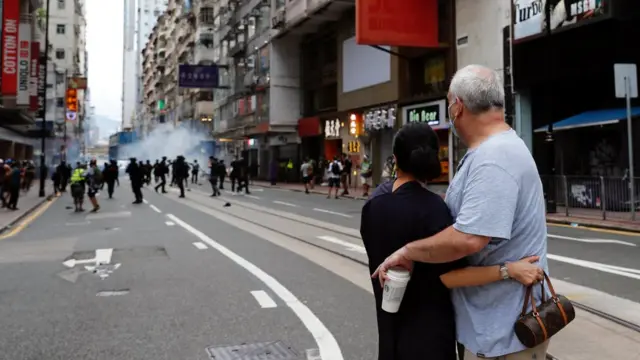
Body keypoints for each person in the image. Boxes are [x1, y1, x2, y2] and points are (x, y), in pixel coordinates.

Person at [373, 65, 550, 359]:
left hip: (504, 335)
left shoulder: (494, 159)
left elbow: (468, 239)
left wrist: (407, 251)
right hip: (496, 329)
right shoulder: (493, 150)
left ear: (458, 107)